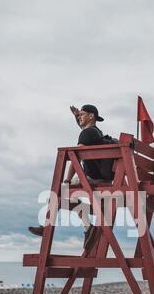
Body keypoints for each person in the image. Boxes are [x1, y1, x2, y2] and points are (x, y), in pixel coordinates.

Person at [28, 104, 113, 250]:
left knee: (59, 192)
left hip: (91, 178)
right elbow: (83, 129)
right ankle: (87, 227)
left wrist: (67, 180)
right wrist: (76, 116)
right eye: (79, 115)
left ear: (91, 116)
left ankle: (47, 228)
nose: (80, 117)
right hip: (102, 177)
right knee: (67, 197)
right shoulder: (95, 132)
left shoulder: (87, 134)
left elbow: (76, 157)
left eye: (82, 114)